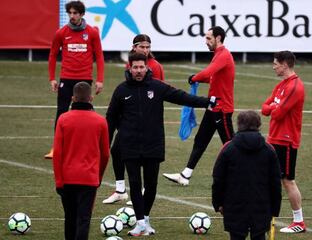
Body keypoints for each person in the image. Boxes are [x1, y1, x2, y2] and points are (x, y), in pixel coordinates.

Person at [106, 53, 215, 236]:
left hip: (153, 144)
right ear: (129, 68)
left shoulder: (156, 87)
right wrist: (106, 144)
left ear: (147, 67)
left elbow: (181, 97)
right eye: (135, 68)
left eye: (142, 67)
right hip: (130, 145)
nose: (139, 71)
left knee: (151, 184)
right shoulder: (121, 91)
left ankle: (145, 219)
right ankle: (140, 223)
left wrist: (206, 102)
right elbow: (110, 119)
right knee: (134, 182)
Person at [163, 26, 235, 186]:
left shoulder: (223, 55)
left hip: (221, 108)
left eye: (209, 38)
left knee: (232, 144)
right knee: (201, 140)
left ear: (218, 38)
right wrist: (197, 79)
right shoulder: (219, 55)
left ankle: (248, 175)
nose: (206, 42)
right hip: (213, 106)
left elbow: (208, 72)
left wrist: (195, 77)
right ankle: (185, 175)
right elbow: (213, 78)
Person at [103, 34, 164, 204]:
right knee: (116, 151)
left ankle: (141, 190)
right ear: (134, 47)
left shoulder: (155, 66)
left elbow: (158, 92)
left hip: (145, 123)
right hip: (128, 120)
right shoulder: (132, 64)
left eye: (148, 47)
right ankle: (121, 189)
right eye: (142, 47)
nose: (145, 50)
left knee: (140, 157)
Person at [45, 0, 105, 159]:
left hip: (85, 78)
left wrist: (100, 80)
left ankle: (89, 146)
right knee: (62, 112)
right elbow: (52, 56)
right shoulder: (61, 32)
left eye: (75, 13)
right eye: (70, 13)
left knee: (86, 113)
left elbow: (99, 56)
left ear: (82, 14)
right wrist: (52, 78)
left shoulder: (92, 32)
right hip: (66, 77)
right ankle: (57, 147)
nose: (72, 16)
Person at [52, 82, 110, 240]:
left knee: (70, 218)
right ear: (91, 98)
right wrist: (98, 177)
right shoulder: (100, 121)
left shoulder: (63, 119)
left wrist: (58, 181)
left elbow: (57, 153)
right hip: (89, 179)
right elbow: (105, 154)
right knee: (83, 220)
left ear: (72, 98)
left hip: (67, 179)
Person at [212, 110, 282, 240]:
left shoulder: (228, 148)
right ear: (259, 125)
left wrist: (218, 203)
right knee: (259, 236)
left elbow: (218, 178)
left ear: (238, 125)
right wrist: (274, 208)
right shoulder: (269, 150)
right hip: (261, 206)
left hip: (234, 206)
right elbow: (275, 182)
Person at [261, 51, 306, 233]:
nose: (274, 67)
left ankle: (299, 222)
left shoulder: (295, 87)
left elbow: (278, 114)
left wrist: (273, 107)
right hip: (273, 138)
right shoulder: (281, 86)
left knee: (288, 181)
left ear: (285, 65)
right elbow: (265, 109)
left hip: (286, 141)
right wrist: (273, 107)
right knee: (269, 178)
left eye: (276, 64)